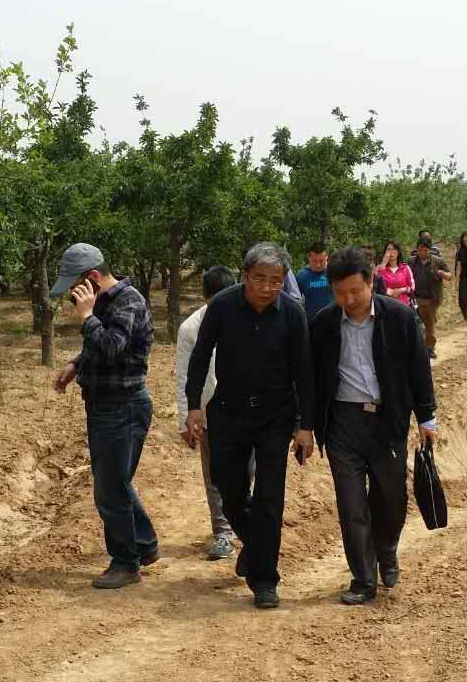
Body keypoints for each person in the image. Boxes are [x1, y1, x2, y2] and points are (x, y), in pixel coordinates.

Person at [185, 242, 317, 610]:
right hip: (228, 412)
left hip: (275, 417)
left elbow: (305, 372)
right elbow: (200, 357)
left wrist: (305, 425)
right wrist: (193, 407)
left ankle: (265, 580)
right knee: (228, 489)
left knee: (270, 499)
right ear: (244, 275)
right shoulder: (222, 306)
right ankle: (256, 546)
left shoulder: (293, 313)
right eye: (260, 278)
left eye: (276, 281)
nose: (267, 287)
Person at [310, 246, 439, 605]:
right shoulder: (322, 324)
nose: (349, 300)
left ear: (371, 282)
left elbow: (418, 369)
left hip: (387, 420)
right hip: (342, 423)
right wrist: (305, 424)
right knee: (351, 504)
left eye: (355, 291)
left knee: (391, 500)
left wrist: (426, 417)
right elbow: (311, 378)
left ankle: (387, 550)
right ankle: (363, 579)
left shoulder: (399, 317)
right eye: (340, 293)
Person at [51, 243, 158, 590]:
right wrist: (76, 364)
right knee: (114, 481)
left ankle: (126, 563)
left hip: (122, 407)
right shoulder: (102, 302)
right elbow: (97, 348)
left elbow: (112, 347)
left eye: (74, 287)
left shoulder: (129, 302)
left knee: (109, 490)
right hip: (103, 406)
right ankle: (143, 544)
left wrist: (86, 317)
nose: (72, 295)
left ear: (94, 277)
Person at [176, 265, 248, 561]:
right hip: (209, 412)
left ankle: (246, 524)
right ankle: (223, 533)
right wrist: (186, 418)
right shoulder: (191, 328)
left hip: (247, 411)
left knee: (247, 471)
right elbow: (184, 375)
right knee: (215, 475)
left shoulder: (249, 318)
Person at [408, 237, 452, 358]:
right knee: (417, 324)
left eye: (425, 250)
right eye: (420, 250)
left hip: (432, 299)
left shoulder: (438, 261)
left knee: (430, 324)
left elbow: (449, 275)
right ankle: (419, 348)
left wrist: (443, 274)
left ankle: (429, 348)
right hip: (416, 298)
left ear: (430, 250)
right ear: (417, 249)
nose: (422, 253)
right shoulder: (411, 261)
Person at [295, 242, 334, 319]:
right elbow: (295, 301)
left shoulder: (334, 271)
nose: (318, 265)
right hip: (311, 320)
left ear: (327, 257)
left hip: (334, 318)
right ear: (308, 257)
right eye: (314, 261)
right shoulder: (301, 276)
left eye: (321, 261)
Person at [375, 241, 415, 306]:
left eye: (393, 249)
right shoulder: (380, 268)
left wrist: (402, 290)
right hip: (386, 305)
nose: (391, 252)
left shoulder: (405, 268)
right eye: (388, 249)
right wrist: (383, 264)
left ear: (398, 252)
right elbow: (377, 286)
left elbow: (412, 287)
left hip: (404, 305)